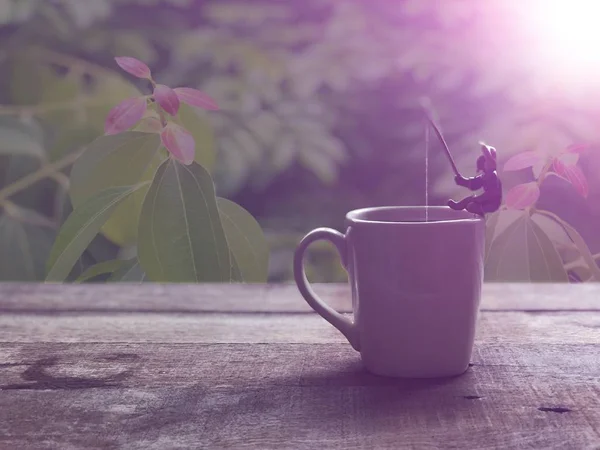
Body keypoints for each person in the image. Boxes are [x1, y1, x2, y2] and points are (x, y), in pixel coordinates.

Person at [447, 143, 502, 216]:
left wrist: (478, 199)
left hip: (492, 204)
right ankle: (459, 206)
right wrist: (462, 181)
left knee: (471, 206)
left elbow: (491, 194)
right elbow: (474, 184)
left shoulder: (492, 176)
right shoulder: (485, 176)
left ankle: (480, 212)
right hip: (487, 201)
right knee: (469, 200)